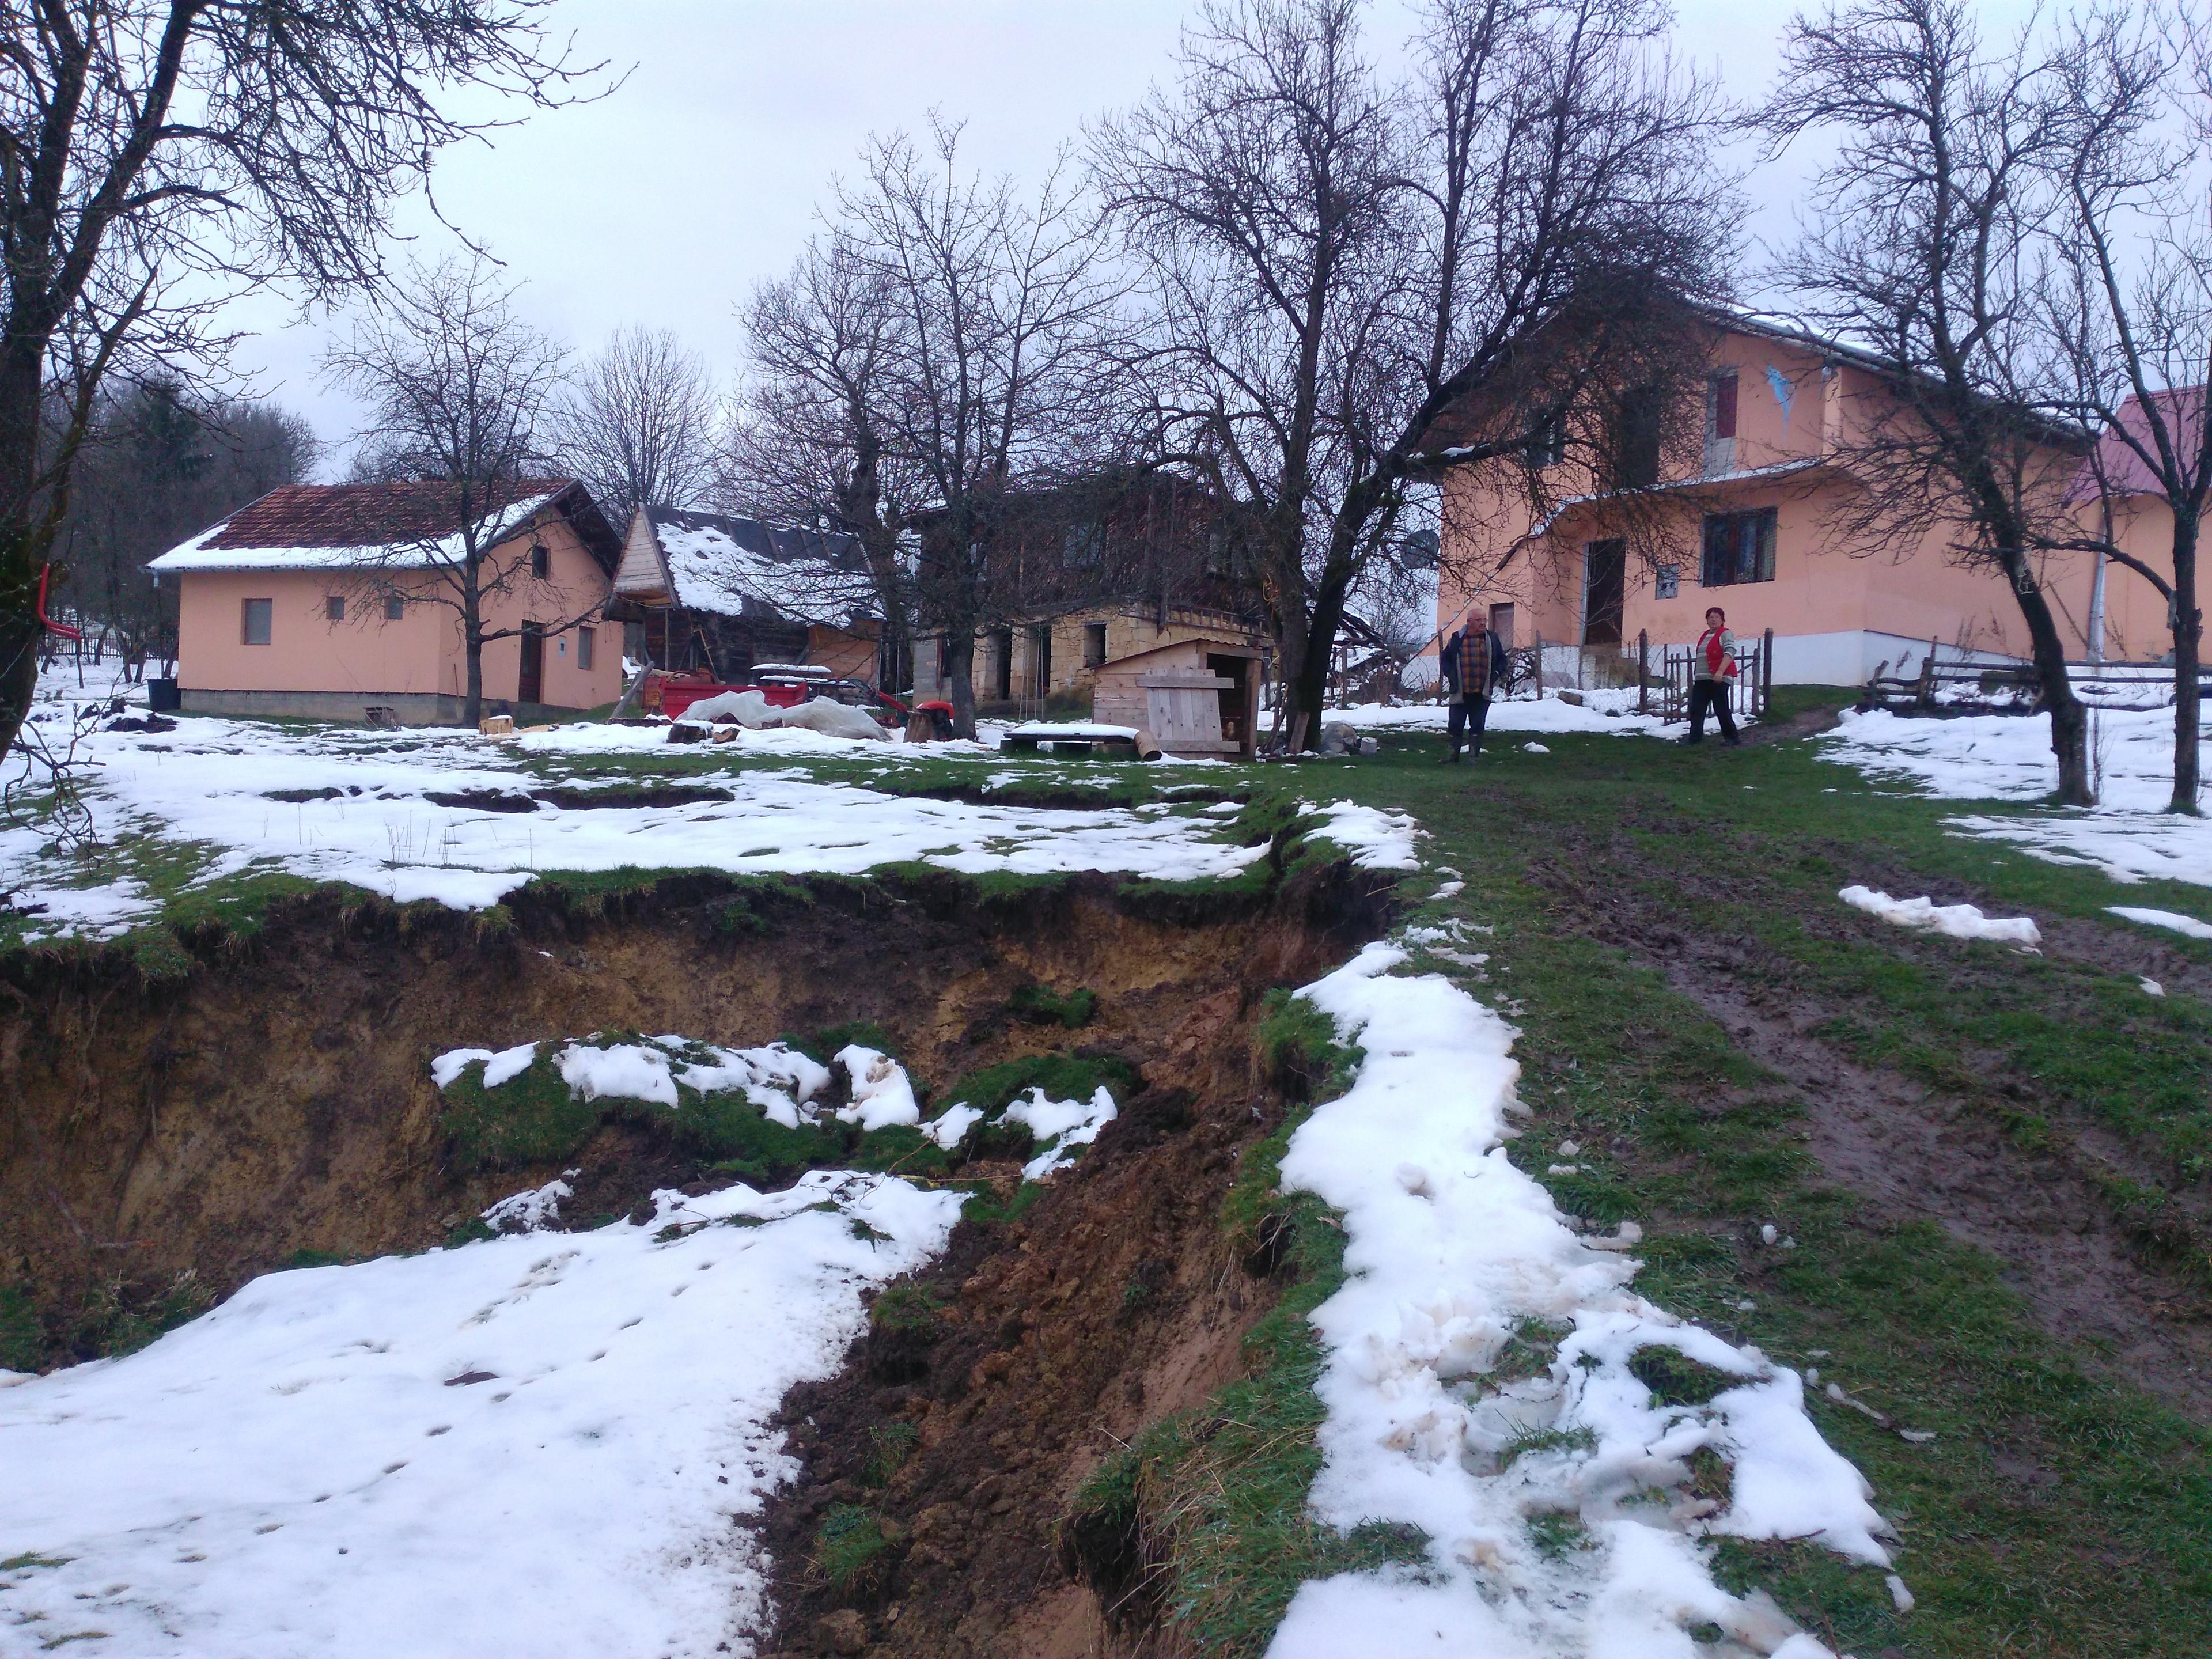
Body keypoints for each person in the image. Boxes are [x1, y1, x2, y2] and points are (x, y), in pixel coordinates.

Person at [1439, 609, 1507, 762]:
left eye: (1485, 620)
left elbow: (1502, 660)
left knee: (1477, 725)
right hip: (1460, 691)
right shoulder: (1457, 639)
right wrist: (1450, 674)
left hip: (1482, 692)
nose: (1483, 623)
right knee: (1455, 725)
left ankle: (1473, 757)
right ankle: (1452, 756)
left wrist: (1496, 673)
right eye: (1478, 620)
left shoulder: (1492, 639)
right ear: (1469, 622)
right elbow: (1446, 659)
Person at [1685, 606, 1743, 745]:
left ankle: (1732, 737)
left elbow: (1730, 652)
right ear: (1706, 621)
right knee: (1697, 709)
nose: (1713, 619)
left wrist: (1720, 672)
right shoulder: (1705, 635)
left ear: (1723, 620)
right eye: (1710, 617)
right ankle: (1695, 738)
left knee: (1721, 708)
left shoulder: (1725, 633)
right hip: (1702, 679)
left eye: (1717, 616)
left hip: (1718, 678)